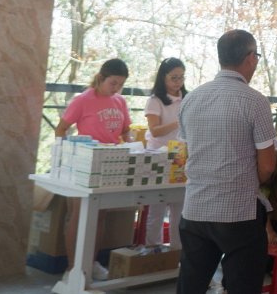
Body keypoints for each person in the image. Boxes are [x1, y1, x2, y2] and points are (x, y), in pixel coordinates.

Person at [176, 29, 276, 294]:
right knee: (242, 285)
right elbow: (267, 166)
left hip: (195, 208)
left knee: (191, 284)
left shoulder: (191, 99)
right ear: (251, 57)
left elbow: (184, 154)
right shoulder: (255, 101)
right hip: (239, 211)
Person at [55, 58, 132, 281]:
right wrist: (65, 156)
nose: (116, 88)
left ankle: (91, 262)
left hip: (110, 163)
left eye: (120, 84)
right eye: (113, 83)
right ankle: (72, 267)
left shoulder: (120, 101)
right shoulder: (83, 100)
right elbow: (61, 129)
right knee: (78, 216)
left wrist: (131, 144)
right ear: (101, 78)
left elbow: (125, 131)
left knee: (99, 216)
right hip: (84, 162)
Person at [143, 57, 188, 249]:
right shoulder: (155, 100)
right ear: (163, 77)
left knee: (179, 208)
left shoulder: (187, 98)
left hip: (181, 156)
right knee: (157, 208)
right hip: (158, 156)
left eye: (181, 77)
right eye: (174, 78)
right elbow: (155, 131)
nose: (178, 82)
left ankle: (176, 252)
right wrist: (178, 122)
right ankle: (153, 249)